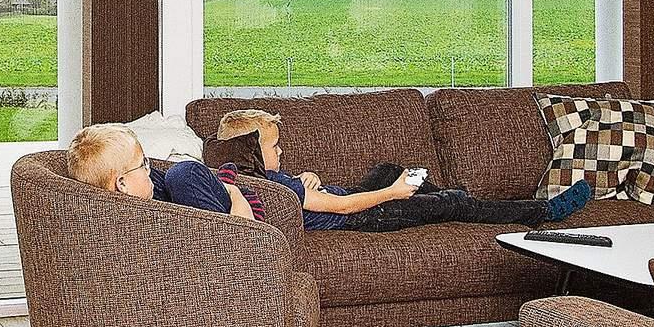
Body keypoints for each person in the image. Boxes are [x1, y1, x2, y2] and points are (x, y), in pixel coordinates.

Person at [210, 108, 590, 232]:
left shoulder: (253, 178)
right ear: (254, 151)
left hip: (350, 199)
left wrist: (307, 180)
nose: (281, 150)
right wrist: (392, 193)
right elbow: (344, 207)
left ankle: (451, 201)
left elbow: (300, 194)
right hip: (366, 214)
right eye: (274, 147)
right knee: (452, 202)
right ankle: (541, 211)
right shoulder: (279, 188)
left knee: (388, 168)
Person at [63, 124, 256, 218]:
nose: (148, 170)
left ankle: (225, 183)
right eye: (143, 164)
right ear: (122, 183)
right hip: (240, 214)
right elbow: (244, 235)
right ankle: (226, 183)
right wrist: (234, 192)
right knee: (184, 173)